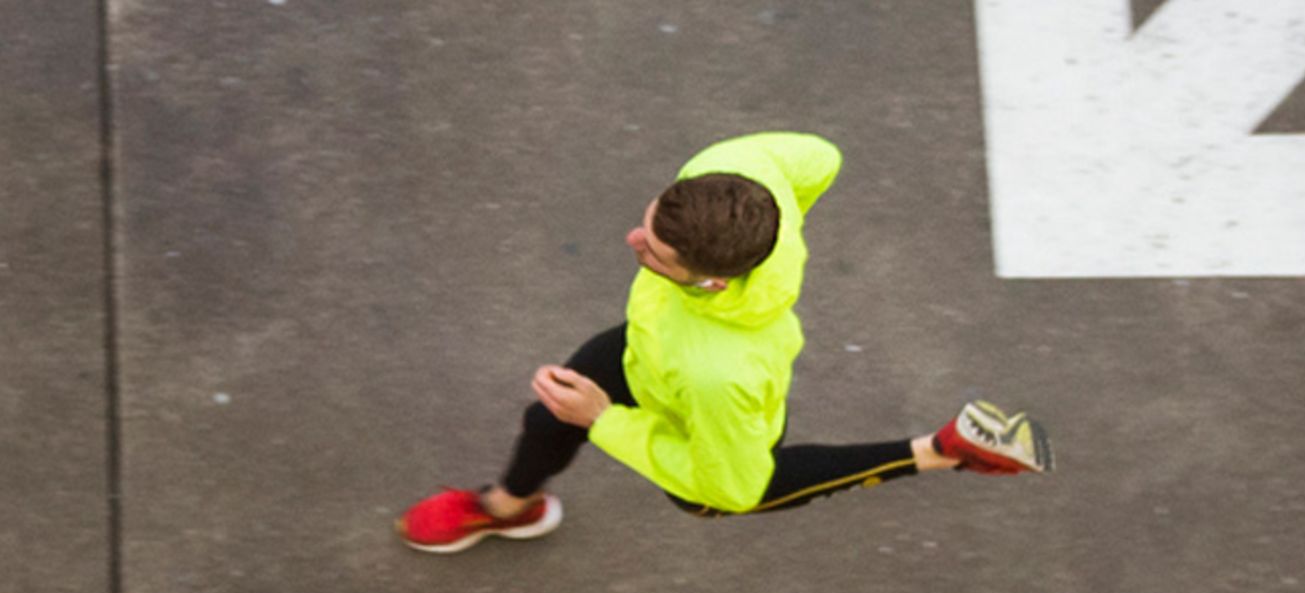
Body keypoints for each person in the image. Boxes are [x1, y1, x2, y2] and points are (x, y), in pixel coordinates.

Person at [397, 132, 1052, 553]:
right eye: (648, 220)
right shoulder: (731, 173)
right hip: (646, 349)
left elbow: (731, 489)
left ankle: (938, 451)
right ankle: (507, 508)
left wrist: (604, 421)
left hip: (705, 405)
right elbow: (822, 158)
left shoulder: (722, 374)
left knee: (735, 485)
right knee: (547, 416)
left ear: (711, 281)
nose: (631, 240)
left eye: (651, 250)